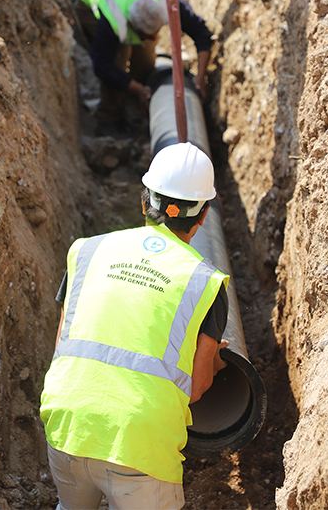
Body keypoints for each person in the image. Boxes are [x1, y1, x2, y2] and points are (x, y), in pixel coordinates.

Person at [40, 142, 230, 510]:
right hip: (139, 441)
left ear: (145, 202)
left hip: (67, 423)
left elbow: (63, 348)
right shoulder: (204, 281)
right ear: (203, 216)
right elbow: (196, 386)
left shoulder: (87, 251)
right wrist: (216, 361)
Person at [76, 0, 214, 132]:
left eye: (156, 32)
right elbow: (103, 66)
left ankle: (138, 103)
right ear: (132, 26)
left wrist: (200, 77)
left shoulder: (169, 2)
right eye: (147, 36)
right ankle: (109, 117)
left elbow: (202, 34)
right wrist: (139, 89)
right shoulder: (113, 20)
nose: (155, 38)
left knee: (145, 61)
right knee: (118, 61)